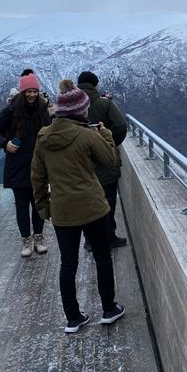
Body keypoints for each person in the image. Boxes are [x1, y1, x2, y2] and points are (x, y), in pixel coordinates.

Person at [32, 79, 124, 333]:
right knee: (103, 257)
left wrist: (44, 207)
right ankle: (108, 309)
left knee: (68, 264)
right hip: (93, 207)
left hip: (62, 210)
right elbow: (109, 160)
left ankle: (73, 318)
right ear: (79, 111)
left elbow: (37, 177)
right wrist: (103, 133)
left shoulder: (43, 138)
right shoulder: (87, 134)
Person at [0, 72, 51, 257]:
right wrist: (5, 143)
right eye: (29, 91)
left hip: (39, 163)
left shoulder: (43, 109)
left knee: (39, 204)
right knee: (22, 206)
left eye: (35, 91)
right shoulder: (11, 110)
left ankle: (39, 238)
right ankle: (26, 240)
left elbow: (49, 130)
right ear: (22, 91)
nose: (32, 95)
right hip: (17, 164)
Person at [77, 71, 128, 249]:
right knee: (108, 200)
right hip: (105, 163)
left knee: (85, 201)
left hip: (80, 163)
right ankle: (108, 237)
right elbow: (121, 126)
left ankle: (90, 240)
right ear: (95, 85)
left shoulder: (72, 105)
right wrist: (110, 145)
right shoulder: (104, 104)